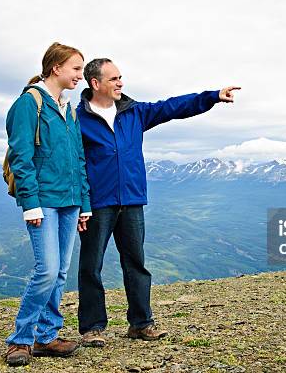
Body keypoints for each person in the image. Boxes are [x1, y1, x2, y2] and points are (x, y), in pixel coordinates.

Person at [76, 57, 239, 346]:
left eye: (121, 77)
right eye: (114, 79)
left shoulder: (134, 112)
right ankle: (92, 328)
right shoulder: (77, 119)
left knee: (136, 263)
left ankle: (140, 324)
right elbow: (73, 164)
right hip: (97, 202)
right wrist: (79, 202)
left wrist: (211, 97)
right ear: (95, 83)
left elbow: (171, 107)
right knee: (91, 266)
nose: (121, 83)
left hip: (132, 200)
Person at [4, 42, 92, 366]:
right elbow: (21, 157)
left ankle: (46, 336)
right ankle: (20, 339)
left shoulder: (68, 108)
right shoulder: (29, 103)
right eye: (76, 69)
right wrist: (30, 203)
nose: (80, 77)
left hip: (69, 202)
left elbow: (79, 159)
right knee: (46, 270)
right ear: (56, 68)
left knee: (60, 273)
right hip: (43, 202)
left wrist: (84, 203)